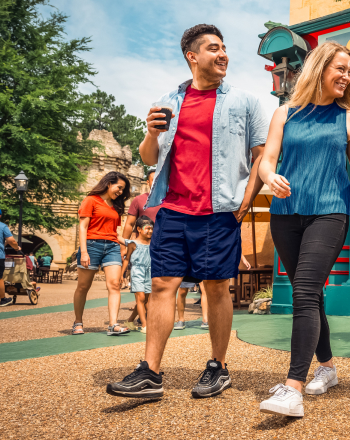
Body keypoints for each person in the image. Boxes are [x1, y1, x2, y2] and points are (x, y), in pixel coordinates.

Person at [106, 24, 268, 400]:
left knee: (215, 288)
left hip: (219, 210)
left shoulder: (245, 102)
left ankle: (218, 366)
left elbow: (261, 157)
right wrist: (150, 133)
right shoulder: (168, 101)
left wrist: (244, 204)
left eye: (224, 47)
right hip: (174, 210)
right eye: (213, 48)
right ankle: (151, 373)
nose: (223, 53)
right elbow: (149, 158)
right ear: (192, 56)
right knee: (162, 285)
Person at [257, 41, 350, 417]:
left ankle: (293, 387)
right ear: (320, 69)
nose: (346, 76)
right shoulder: (285, 114)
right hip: (285, 215)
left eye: (349, 71)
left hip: (330, 214)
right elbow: (267, 162)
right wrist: (271, 178)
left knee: (304, 290)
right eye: (340, 69)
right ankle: (329, 368)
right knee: (312, 296)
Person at [71, 171, 132, 336]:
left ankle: (113, 324)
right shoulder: (90, 200)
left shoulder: (116, 207)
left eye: (122, 190)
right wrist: (84, 251)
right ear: (108, 183)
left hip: (112, 247)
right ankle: (77, 322)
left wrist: (129, 242)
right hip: (91, 245)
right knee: (83, 286)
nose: (120, 192)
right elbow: (83, 227)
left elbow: (114, 233)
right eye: (119, 188)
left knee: (115, 285)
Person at [174, 253, 250, 329]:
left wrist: (243, 258)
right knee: (182, 291)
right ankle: (181, 319)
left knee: (204, 290)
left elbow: (235, 242)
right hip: (188, 260)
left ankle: (205, 320)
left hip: (202, 260)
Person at [120, 216, 154, 333]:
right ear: (139, 229)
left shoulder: (153, 243)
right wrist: (122, 274)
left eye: (151, 228)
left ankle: (130, 321)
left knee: (147, 301)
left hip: (149, 272)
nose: (150, 231)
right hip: (137, 272)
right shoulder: (133, 244)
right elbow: (127, 259)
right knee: (141, 298)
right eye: (147, 228)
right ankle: (145, 325)